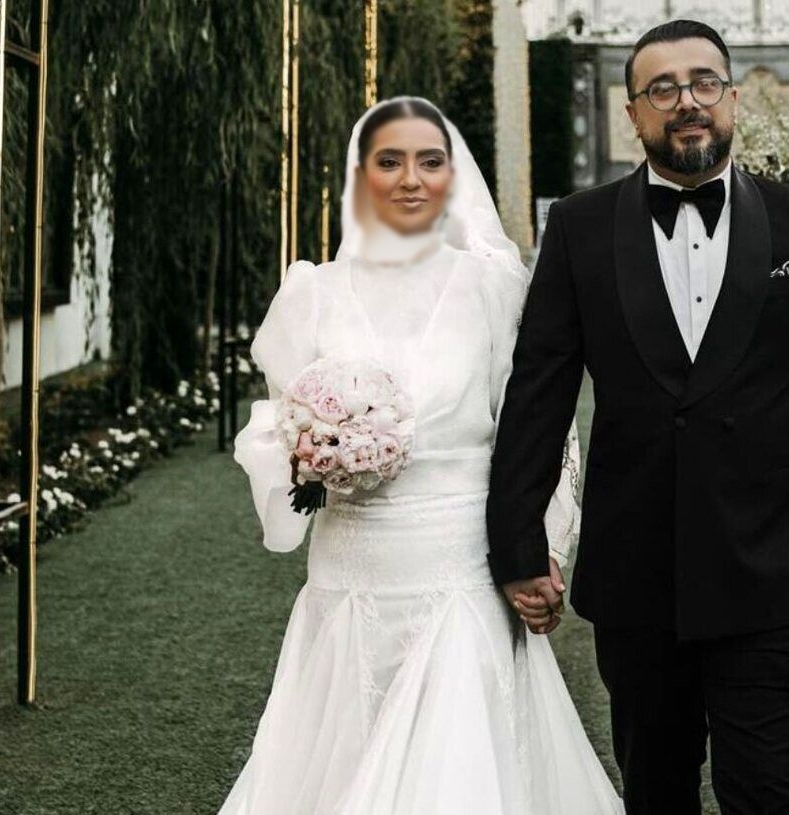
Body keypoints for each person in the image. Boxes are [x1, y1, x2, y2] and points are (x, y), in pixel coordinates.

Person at [487, 20, 789, 815]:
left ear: (733, 98)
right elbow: (538, 394)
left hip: (776, 572)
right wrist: (517, 544)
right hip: (637, 579)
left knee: (765, 794)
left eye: (703, 82)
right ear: (633, 113)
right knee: (656, 793)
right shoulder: (579, 228)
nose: (686, 101)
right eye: (662, 88)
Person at [218, 96, 622, 814]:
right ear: (360, 175)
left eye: (430, 161)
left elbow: (541, 430)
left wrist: (544, 547)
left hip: (461, 564)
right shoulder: (311, 294)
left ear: (452, 175)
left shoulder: (494, 289)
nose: (411, 178)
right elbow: (282, 428)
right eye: (390, 161)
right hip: (352, 563)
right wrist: (314, 451)